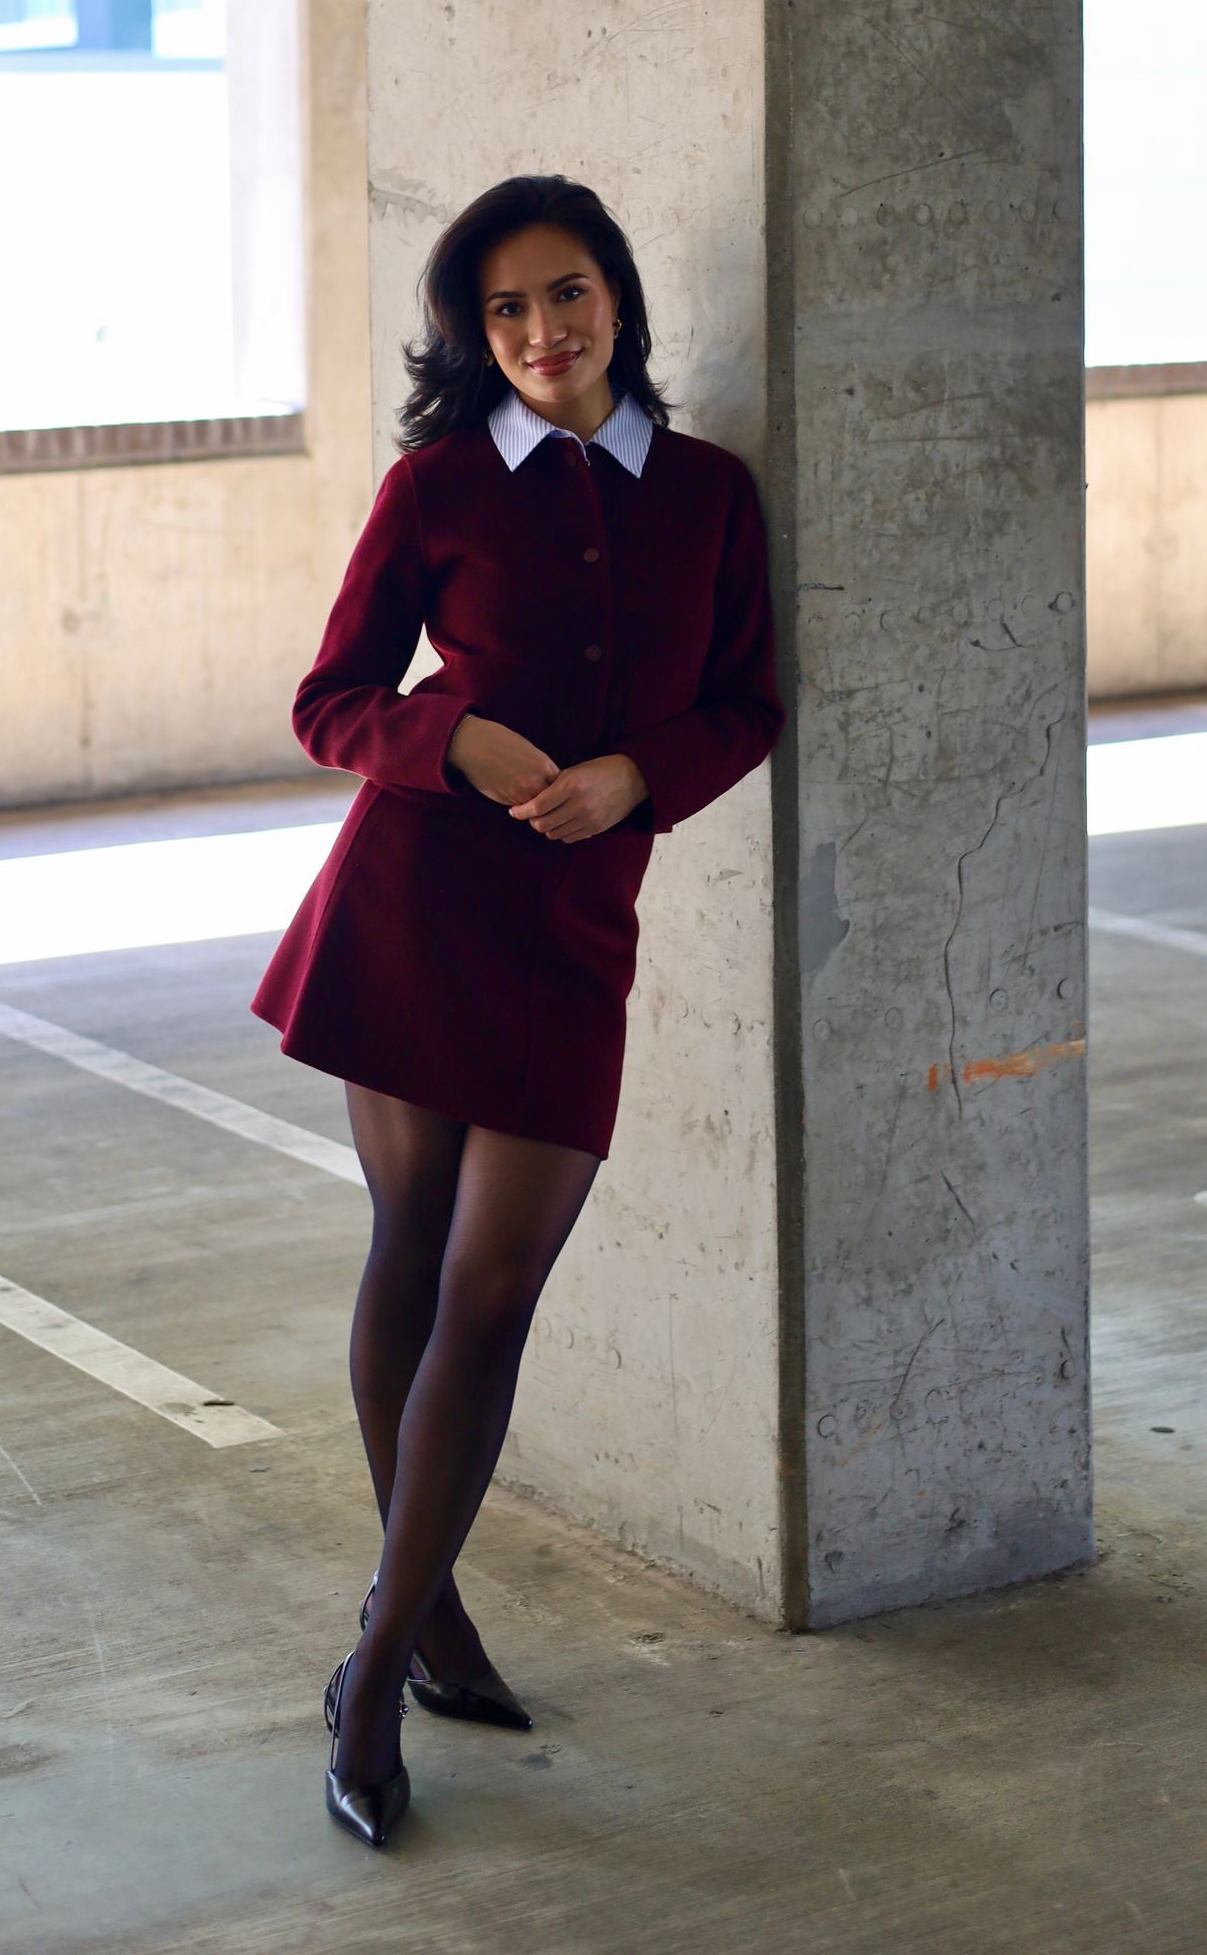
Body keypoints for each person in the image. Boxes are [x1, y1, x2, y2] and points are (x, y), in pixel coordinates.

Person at [248, 172, 784, 1848]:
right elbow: (329, 700)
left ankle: (383, 1640)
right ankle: (415, 1635)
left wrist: (641, 773)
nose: (542, 332)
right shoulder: (437, 488)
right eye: (505, 311)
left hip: (574, 938)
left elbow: (750, 703)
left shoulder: (708, 495)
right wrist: (448, 737)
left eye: (567, 295)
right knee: (411, 1256)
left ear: (617, 298)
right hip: (415, 908)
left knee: (493, 1292)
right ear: (472, 335)